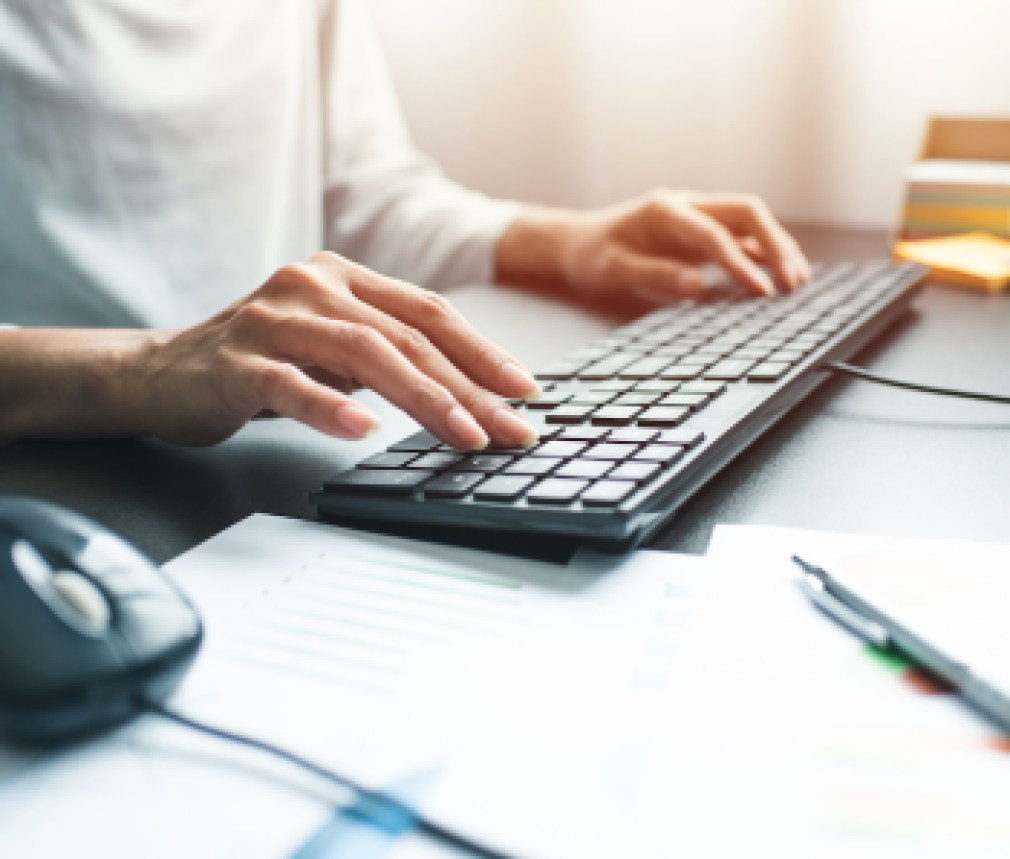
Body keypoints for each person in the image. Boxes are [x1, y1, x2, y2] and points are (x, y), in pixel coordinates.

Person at [0, 1, 809, 452]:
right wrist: (146, 367)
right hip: (61, 467)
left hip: (291, 442)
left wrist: (565, 241)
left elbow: (366, 200)